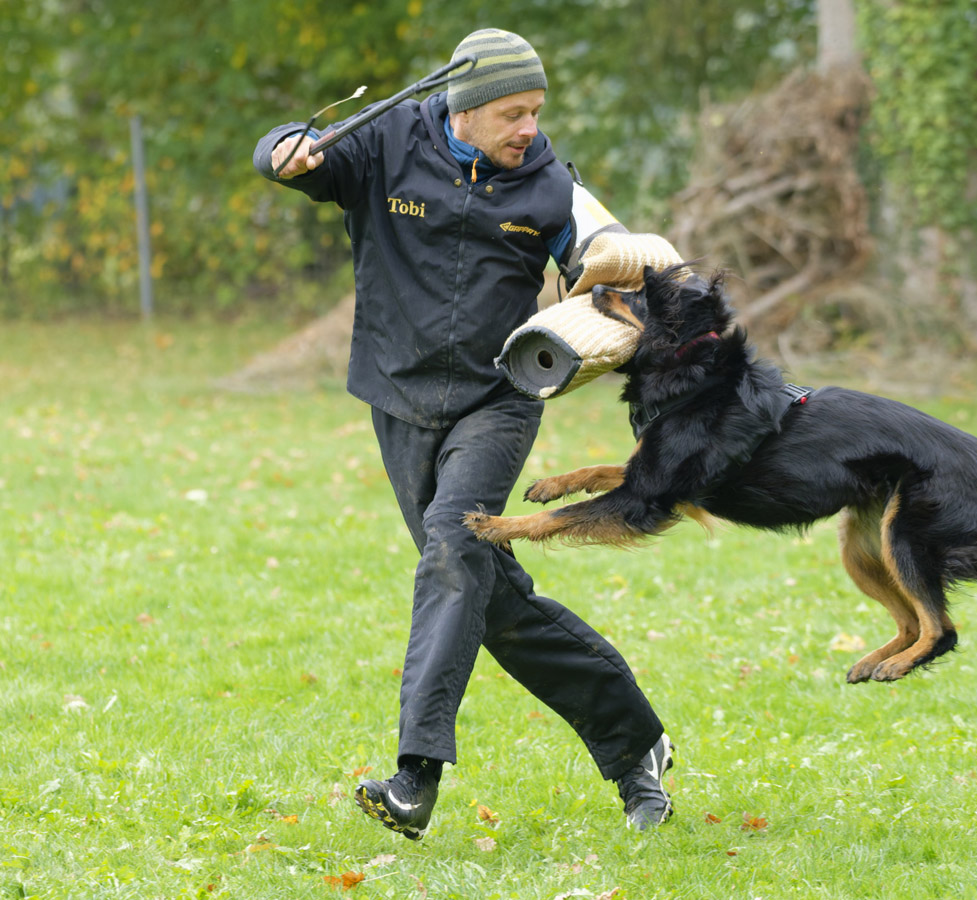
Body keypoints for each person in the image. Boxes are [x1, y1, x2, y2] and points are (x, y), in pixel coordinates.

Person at [253, 28, 673, 840]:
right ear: (464, 109)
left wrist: (620, 283)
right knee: (490, 598)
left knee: (453, 548)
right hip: (397, 396)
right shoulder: (386, 143)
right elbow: (290, 154)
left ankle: (414, 779)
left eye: (536, 111)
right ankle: (637, 743)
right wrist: (283, 151)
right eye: (513, 113)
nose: (529, 128)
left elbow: (607, 252)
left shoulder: (548, 184)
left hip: (497, 399)